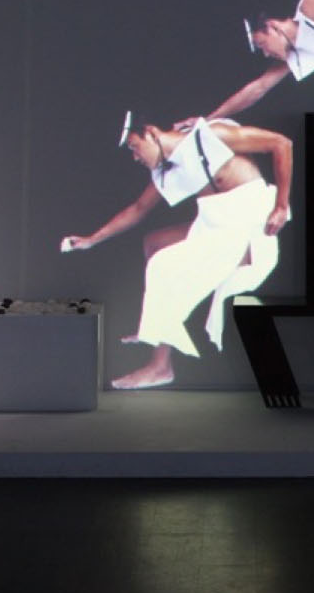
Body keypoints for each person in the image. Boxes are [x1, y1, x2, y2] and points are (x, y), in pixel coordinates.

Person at [60, 116, 294, 390]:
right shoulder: (167, 170)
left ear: (151, 133)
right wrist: (91, 240)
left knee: (162, 266)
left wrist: (281, 206)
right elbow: (138, 209)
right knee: (154, 243)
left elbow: (281, 143)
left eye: (134, 147)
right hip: (217, 229)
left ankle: (159, 340)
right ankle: (161, 344)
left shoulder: (210, 136)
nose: (135, 157)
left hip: (251, 234)